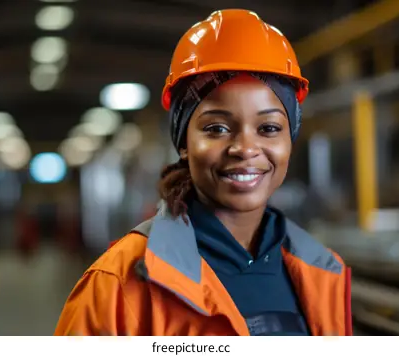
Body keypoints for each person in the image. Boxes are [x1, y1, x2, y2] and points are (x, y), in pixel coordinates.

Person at [54, 9, 352, 336]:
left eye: (268, 127)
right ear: (184, 142)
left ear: (289, 142)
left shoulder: (323, 274)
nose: (245, 148)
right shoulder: (116, 286)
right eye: (217, 127)